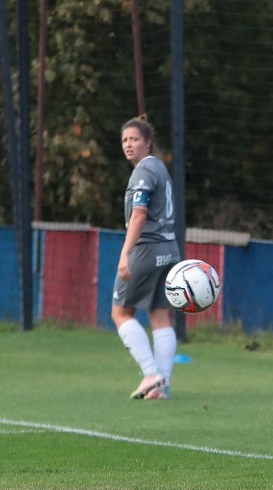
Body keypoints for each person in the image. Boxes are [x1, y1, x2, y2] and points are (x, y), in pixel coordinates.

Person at [111, 115, 181, 400]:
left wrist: (125, 253)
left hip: (147, 249)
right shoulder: (159, 168)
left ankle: (151, 373)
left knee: (120, 313)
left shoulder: (142, 172)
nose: (128, 145)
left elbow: (139, 214)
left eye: (134, 139)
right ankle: (161, 385)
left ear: (148, 142)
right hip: (169, 248)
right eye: (125, 140)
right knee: (160, 315)